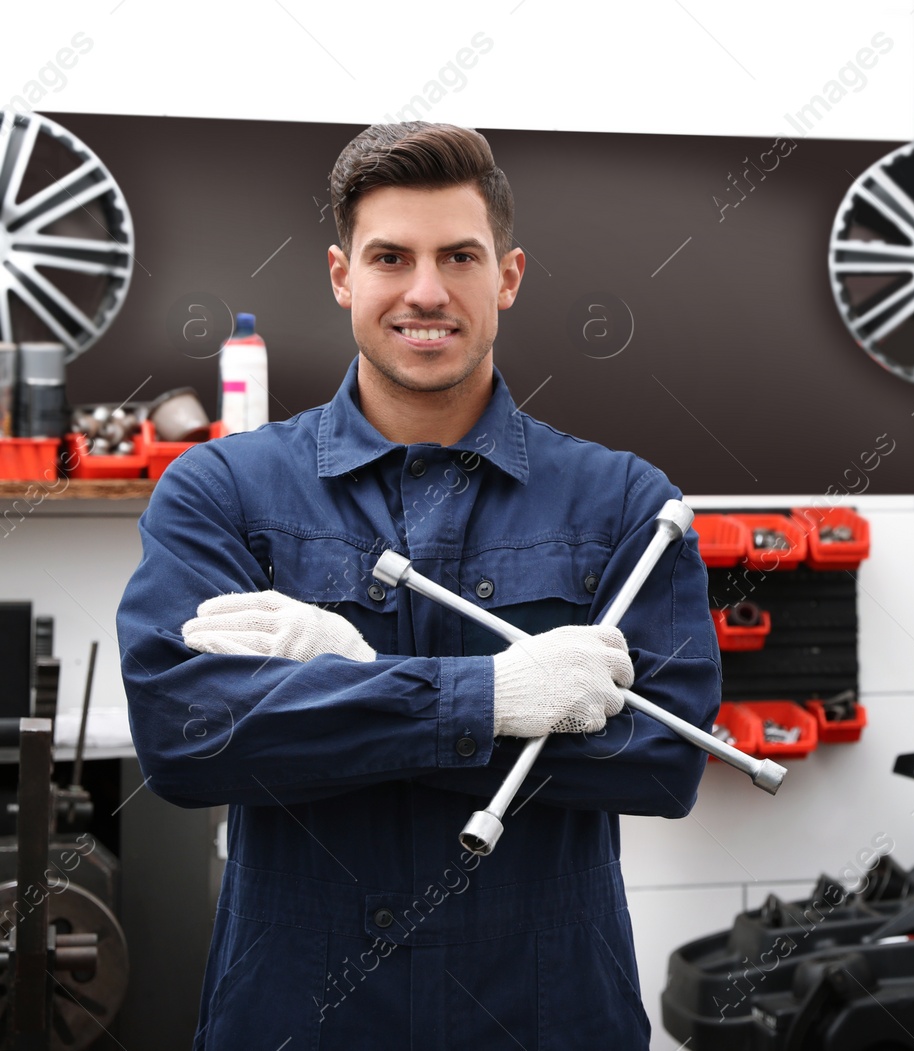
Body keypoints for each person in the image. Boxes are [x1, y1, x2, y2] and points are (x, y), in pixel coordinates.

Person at [116, 122, 721, 1049]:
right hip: (298, 1014)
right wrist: (493, 698)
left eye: (460, 256)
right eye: (391, 256)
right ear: (341, 274)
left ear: (508, 276)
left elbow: (662, 758)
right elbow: (186, 740)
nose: (426, 292)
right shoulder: (220, 491)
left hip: (546, 1014)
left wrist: (337, 702)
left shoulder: (624, 502)